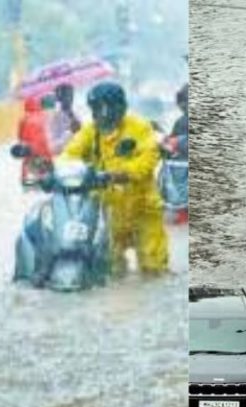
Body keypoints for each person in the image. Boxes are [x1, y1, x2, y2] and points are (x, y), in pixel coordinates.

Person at [61, 81, 169, 276]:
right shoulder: (90, 131)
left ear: (119, 107)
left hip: (143, 208)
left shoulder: (140, 127)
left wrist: (119, 174)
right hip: (107, 211)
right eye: (94, 108)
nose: (97, 114)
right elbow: (68, 156)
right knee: (112, 271)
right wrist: (62, 173)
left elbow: (147, 160)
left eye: (101, 108)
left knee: (154, 270)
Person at [17, 95, 54, 186]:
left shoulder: (23, 119)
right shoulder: (46, 116)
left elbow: (20, 138)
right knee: (49, 179)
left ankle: (26, 181)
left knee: (29, 181)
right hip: (46, 154)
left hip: (30, 155)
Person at [48, 83, 82, 155]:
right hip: (63, 162)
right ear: (59, 97)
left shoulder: (76, 115)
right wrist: (70, 132)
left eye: (71, 94)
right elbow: (53, 148)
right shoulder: (54, 117)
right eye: (66, 94)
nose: (70, 98)